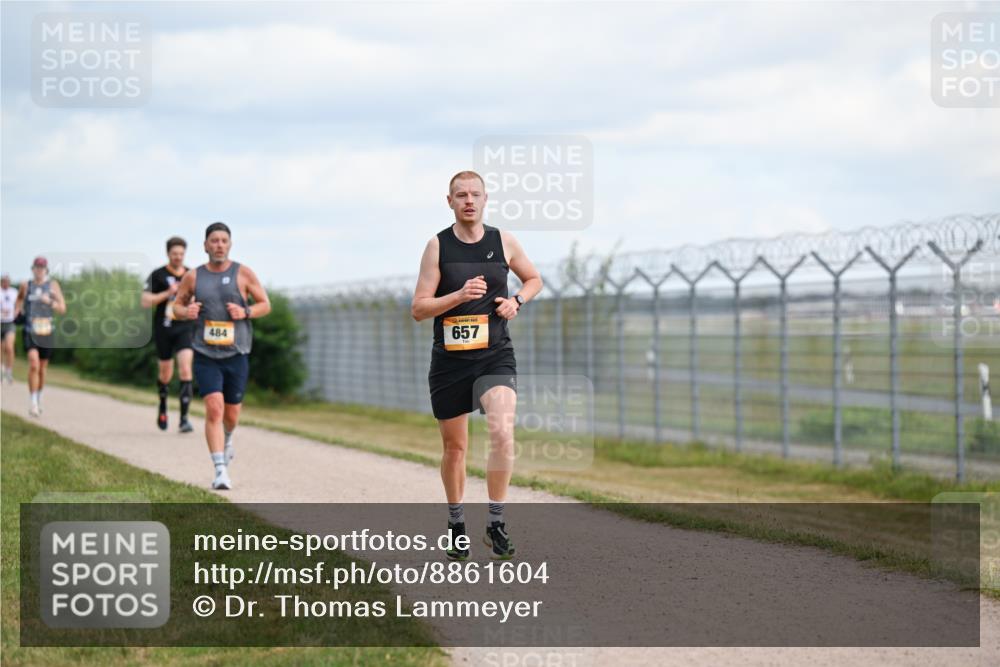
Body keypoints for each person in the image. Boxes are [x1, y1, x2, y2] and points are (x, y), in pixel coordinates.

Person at [411, 170, 543, 560]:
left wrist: (516, 301)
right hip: (450, 361)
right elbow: (419, 309)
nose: (469, 200)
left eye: (475, 194)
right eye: (460, 195)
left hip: (494, 354)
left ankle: (496, 523)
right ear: (449, 201)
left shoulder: (503, 240)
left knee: (502, 432)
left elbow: (534, 278)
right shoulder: (438, 246)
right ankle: (456, 524)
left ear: (486, 199)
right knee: (456, 449)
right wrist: (458, 295)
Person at [173, 222, 270, 490]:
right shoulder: (193, 277)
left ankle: (227, 440)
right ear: (205, 245)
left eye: (223, 241)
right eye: (213, 240)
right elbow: (176, 307)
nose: (218, 245)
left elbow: (265, 304)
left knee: (231, 416)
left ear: (229, 244)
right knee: (214, 408)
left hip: (236, 353)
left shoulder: (244, 273)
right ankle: (219, 470)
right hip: (205, 353)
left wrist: (246, 312)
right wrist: (186, 312)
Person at [142, 237, 197, 432]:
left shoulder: (191, 274)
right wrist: (168, 293)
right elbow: (145, 301)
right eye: (175, 254)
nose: (178, 257)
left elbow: (199, 298)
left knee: (185, 369)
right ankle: (163, 405)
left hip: (185, 328)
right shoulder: (157, 275)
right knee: (165, 372)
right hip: (164, 328)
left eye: (181, 254)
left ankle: (184, 418)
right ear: (168, 254)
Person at [16, 257, 66, 417]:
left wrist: (50, 302)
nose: (39, 270)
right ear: (33, 269)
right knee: (33, 365)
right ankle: (33, 403)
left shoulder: (52, 286)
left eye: (42, 267)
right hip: (30, 330)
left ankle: (39, 396)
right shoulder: (26, 285)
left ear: (46, 270)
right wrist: (17, 312)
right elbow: (19, 300)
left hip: (47, 331)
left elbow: (62, 308)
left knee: (42, 370)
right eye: (37, 267)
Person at [1, 274, 18, 384]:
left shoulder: (14, 292)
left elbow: (19, 304)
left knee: (9, 347)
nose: (6, 283)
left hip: (10, 322)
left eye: (8, 281)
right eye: (4, 281)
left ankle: (9, 372)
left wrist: (16, 312)